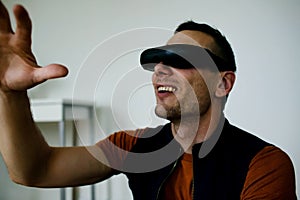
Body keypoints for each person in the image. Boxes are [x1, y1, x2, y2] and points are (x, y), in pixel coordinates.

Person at [0, 2, 297, 200]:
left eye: (180, 59)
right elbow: (33, 170)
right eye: (157, 61)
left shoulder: (264, 164)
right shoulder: (134, 145)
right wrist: (9, 92)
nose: (159, 70)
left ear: (223, 83)